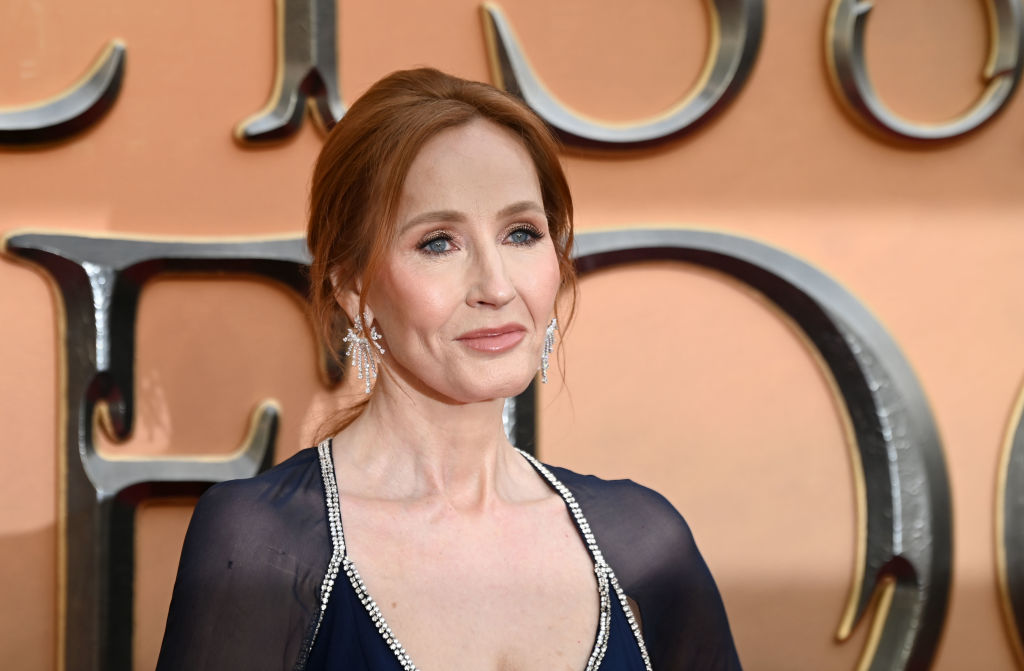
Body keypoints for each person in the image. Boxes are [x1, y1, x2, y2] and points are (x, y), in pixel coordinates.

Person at [156, 67, 741, 671]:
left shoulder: (644, 543)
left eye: (521, 233)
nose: (495, 285)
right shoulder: (262, 544)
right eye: (439, 242)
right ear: (355, 288)